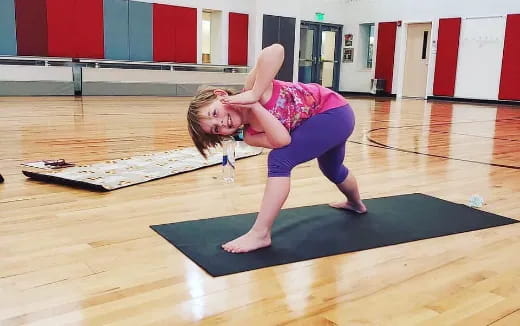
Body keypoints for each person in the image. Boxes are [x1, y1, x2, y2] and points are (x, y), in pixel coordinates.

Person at [187, 44, 366, 253]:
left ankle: (260, 233)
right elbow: (282, 140)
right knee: (332, 168)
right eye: (216, 129)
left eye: (215, 113)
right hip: (331, 120)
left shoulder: (254, 87)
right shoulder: (251, 135)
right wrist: (254, 107)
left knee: (279, 161)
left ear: (221, 95)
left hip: (333, 111)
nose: (222, 123)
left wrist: (254, 95)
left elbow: (277, 50)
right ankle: (356, 203)